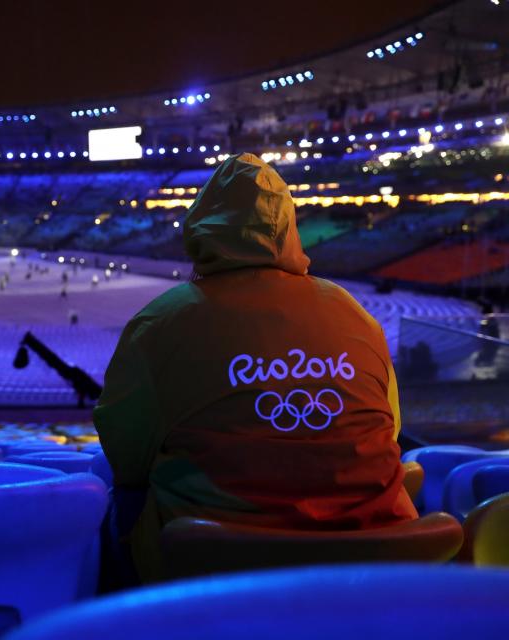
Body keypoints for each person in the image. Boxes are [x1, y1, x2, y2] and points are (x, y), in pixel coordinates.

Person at [94, 153, 417, 583]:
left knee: (120, 499)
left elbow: (127, 457)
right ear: (289, 228)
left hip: (210, 565)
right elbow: (389, 430)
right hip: (377, 558)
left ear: (201, 226)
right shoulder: (354, 314)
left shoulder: (160, 323)